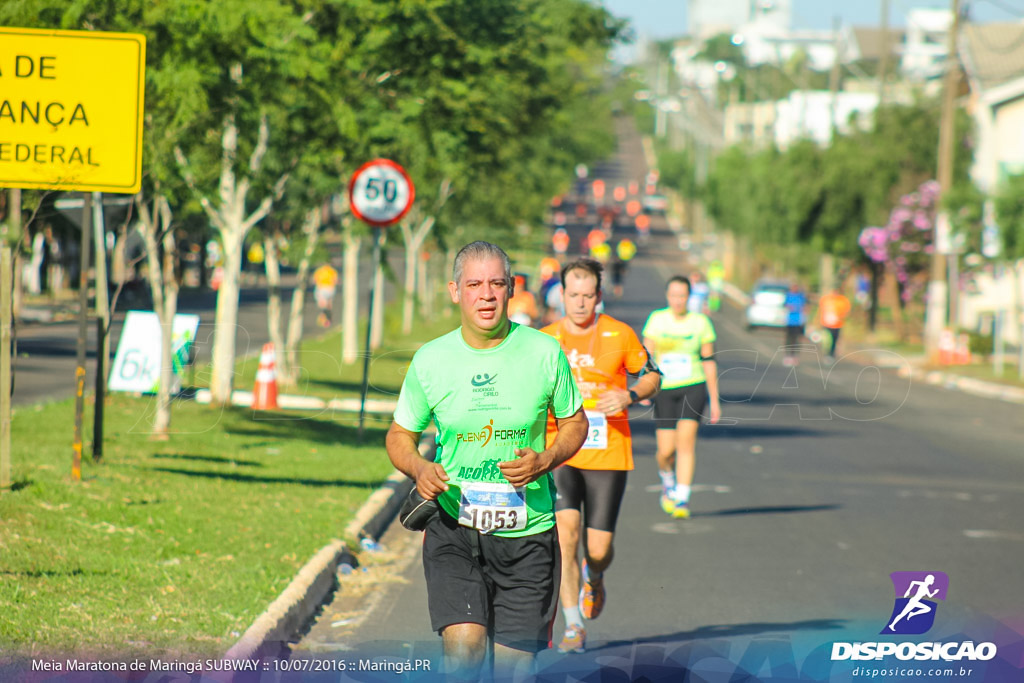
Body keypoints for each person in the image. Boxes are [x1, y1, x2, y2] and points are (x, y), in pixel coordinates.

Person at [385, 241, 589, 681]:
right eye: (474, 284)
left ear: (512, 289)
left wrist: (547, 458)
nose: (487, 294)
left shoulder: (544, 352)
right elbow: (400, 435)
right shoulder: (432, 359)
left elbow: (576, 422)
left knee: (516, 672)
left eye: (497, 283)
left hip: (527, 534)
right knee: (463, 655)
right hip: (454, 530)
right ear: (455, 291)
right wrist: (420, 468)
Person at [541, 259, 661, 654]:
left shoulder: (619, 334)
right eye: (572, 295)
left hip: (608, 453)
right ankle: (573, 625)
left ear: (598, 296)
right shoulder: (544, 340)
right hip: (560, 452)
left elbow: (653, 376)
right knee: (565, 538)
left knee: (597, 549)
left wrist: (629, 395)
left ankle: (596, 576)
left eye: (587, 296)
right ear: (561, 295)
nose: (579, 303)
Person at [643, 276, 721, 519]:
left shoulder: (701, 323)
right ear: (668, 296)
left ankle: (682, 499)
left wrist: (715, 400)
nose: (678, 300)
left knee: (686, 443)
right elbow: (647, 357)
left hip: (693, 386)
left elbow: (709, 361)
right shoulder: (657, 319)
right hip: (665, 390)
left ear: (689, 297)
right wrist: (645, 389)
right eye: (674, 295)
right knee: (666, 451)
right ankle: (668, 480)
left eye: (683, 296)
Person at [816, 288, 851, 361]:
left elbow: (846, 312)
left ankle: (831, 354)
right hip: (826, 324)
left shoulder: (843, 300)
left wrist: (841, 316)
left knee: (835, 339)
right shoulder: (826, 299)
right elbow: (821, 311)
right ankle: (827, 352)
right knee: (827, 339)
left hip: (837, 324)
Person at [783, 283, 808, 366]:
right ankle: (788, 355)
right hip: (790, 321)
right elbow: (785, 305)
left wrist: (805, 317)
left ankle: (794, 356)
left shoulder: (801, 296)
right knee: (789, 338)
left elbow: (805, 307)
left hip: (798, 321)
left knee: (797, 339)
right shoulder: (788, 296)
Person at [312, 261, 339, 328]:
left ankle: (324, 318)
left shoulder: (319, 271)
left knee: (322, 305)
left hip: (321, 288)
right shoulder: (332, 271)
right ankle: (329, 318)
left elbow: (314, 280)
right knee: (329, 305)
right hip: (331, 289)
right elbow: (335, 280)